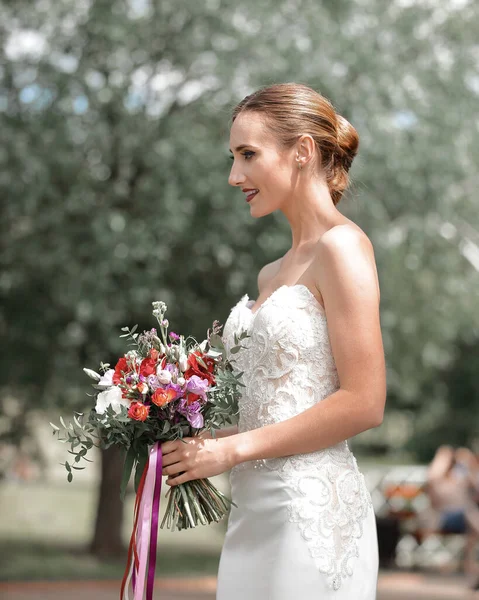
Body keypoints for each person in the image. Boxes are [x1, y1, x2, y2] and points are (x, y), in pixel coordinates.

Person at [160, 82, 386, 599]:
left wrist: (233, 449)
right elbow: (269, 407)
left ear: (302, 151)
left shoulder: (343, 247)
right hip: (252, 515)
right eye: (233, 157)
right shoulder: (270, 275)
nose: (234, 175)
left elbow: (364, 402)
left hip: (309, 515)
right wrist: (192, 443)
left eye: (248, 155)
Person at [424, 445, 479, 586]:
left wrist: (468, 462)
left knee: (471, 520)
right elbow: (432, 478)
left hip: (466, 519)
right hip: (443, 518)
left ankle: (472, 570)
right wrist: (444, 455)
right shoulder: (436, 480)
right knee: (470, 515)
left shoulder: (461, 478)